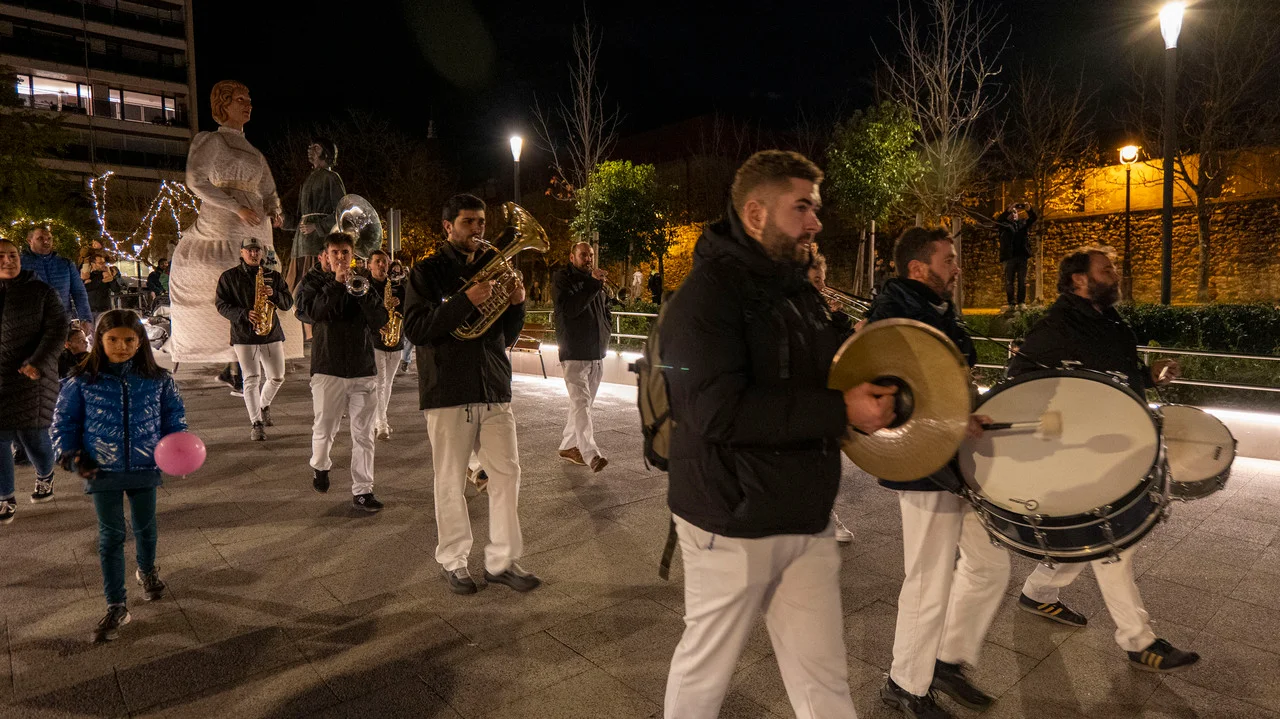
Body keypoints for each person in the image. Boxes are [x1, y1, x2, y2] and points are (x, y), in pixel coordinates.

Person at [660, 150, 897, 718]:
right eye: (803, 207)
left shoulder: (795, 287)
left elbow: (820, 369)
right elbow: (716, 412)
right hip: (730, 518)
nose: (816, 222)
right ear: (756, 213)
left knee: (824, 682)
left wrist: (862, 349)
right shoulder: (705, 296)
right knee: (705, 675)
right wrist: (839, 410)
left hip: (802, 512)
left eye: (816, 208)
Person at [1007, 247, 1199, 673]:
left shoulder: (1111, 321)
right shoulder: (1055, 327)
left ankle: (1038, 592)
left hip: (1121, 442)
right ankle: (1138, 640)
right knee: (1115, 542)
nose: (1115, 273)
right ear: (1079, 279)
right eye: (1106, 269)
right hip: (1081, 452)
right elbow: (1017, 384)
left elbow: (1121, 375)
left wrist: (1150, 375)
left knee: (1091, 537)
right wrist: (1060, 421)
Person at [863, 227, 1008, 719]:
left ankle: (944, 659)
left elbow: (947, 380)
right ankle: (905, 684)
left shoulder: (934, 308)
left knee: (989, 566)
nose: (957, 267)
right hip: (923, 464)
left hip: (955, 461)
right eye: (948, 260)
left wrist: (969, 412)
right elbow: (888, 398)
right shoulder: (893, 316)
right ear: (918, 268)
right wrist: (950, 419)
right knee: (928, 579)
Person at [403, 193, 540, 596]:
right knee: (450, 481)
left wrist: (516, 305)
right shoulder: (427, 272)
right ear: (448, 226)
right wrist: (465, 300)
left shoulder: (493, 265)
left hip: (493, 386)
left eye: (481, 222)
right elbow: (416, 329)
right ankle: (454, 560)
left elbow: (504, 336)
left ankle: (502, 561)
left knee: (507, 474)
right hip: (448, 389)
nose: (478, 229)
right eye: (468, 222)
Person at [51, 309, 187, 642]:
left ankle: (148, 570)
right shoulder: (81, 380)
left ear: (141, 342)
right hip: (101, 469)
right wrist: (71, 456)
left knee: (146, 527)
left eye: (129, 340)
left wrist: (178, 448)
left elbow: (174, 417)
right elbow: (63, 423)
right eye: (112, 339)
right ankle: (116, 604)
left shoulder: (159, 379)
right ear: (99, 340)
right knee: (110, 535)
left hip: (144, 466)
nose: (121, 346)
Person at [169, 80, 303, 368]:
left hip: (257, 223)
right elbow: (196, 180)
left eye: (248, 99)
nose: (248, 104)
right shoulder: (212, 140)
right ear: (224, 104)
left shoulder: (253, 151)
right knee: (225, 269)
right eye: (240, 99)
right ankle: (228, 355)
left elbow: (268, 188)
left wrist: (275, 209)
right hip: (225, 218)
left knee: (264, 273)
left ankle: (262, 341)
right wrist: (236, 207)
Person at [295, 233, 388, 512]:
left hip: (362, 368)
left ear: (352, 255)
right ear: (325, 255)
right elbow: (313, 313)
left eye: (345, 252)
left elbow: (379, 319)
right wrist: (336, 284)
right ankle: (320, 465)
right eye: (334, 252)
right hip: (328, 368)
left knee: (364, 434)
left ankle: (363, 490)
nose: (340, 257)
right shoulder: (313, 283)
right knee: (325, 428)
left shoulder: (363, 282)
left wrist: (362, 294)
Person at [0, 239, 68, 523]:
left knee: (33, 437)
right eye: (1, 256)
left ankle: (45, 475)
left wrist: (37, 362)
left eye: (12, 255)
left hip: (31, 377)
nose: (7, 261)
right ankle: (5, 497)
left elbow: (58, 329)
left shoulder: (41, 292)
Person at [214, 238, 294, 441]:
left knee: (277, 377)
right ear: (242, 252)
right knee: (251, 379)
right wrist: (243, 314)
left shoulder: (272, 276)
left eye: (257, 250)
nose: (253, 253)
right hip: (244, 334)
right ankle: (256, 423)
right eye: (249, 250)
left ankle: (263, 405)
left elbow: (287, 303)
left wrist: (274, 294)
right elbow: (221, 305)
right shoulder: (229, 277)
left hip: (271, 332)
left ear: (261, 253)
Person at [804, 246, 855, 544]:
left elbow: (841, 353)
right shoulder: (798, 316)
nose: (822, 287)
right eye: (816, 281)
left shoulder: (826, 313)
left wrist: (842, 322)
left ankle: (822, 516)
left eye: (823, 280)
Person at [551, 242, 612, 472]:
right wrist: (594, 284)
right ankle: (591, 454)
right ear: (572, 257)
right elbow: (571, 309)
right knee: (582, 402)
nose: (588, 259)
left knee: (583, 405)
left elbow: (604, 309)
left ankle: (568, 446)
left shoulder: (594, 281)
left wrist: (606, 328)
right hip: (575, 352)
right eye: (583, 255)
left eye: (591, 255)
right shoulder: (563, 278)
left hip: (597, 353)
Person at [288, 139, 345, 334]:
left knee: (314, 283)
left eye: (316, 147)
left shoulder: (332, 177)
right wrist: (283, 221)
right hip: (301, 244)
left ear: (327, 152)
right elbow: (299, 217)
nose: (310, 150)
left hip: (317, 243)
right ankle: (297, 332)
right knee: (295, 286)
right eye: (310, 146)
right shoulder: (307, 180)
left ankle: (313, 332)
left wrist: (318, 226)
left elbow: (341, 211)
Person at [22, 226, 93, 329]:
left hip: (61, 323)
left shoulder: (65, 264)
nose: (46, 241)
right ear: (29, 241)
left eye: (49, 238)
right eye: (40, 238)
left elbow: (79, 292)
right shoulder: (20, 264)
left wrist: (85, 318)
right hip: (31, 325)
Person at [368, 249, 404, 441]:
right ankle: (381, 423)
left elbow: (407, 310)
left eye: (385, 262)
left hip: (395, 339)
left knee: (388, 383)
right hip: (376, 340)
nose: (382, 265)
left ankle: (379, 418)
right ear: (370, 265)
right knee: (379, 382)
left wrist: (399, 304)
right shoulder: (366, 286)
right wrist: (383, 308)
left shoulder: (397, 286)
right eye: (378, 262)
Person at [995, 202, 1038, 310]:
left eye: (1016, 212)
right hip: (1009, 257)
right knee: (1009, 282)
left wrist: (1029, 210)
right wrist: (1007, 211)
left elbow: (1033, 218)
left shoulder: (1023, 224)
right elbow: (998, 221)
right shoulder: (1004, 225)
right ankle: (1011, 303)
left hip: (1022, 256)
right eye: (1012, 212)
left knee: (1022, 281)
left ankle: (1021, 302)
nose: (1014, 214)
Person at [81, 253, 120, 318]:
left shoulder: (106, 274)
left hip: (104, 310)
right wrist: (101, 281)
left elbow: (116, 289)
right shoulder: (87, 275)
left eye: (104, 263)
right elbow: (85, 288)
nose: (103, 265)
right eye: (100, 263)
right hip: (89, 310)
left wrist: (112, 279)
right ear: (93, 264)